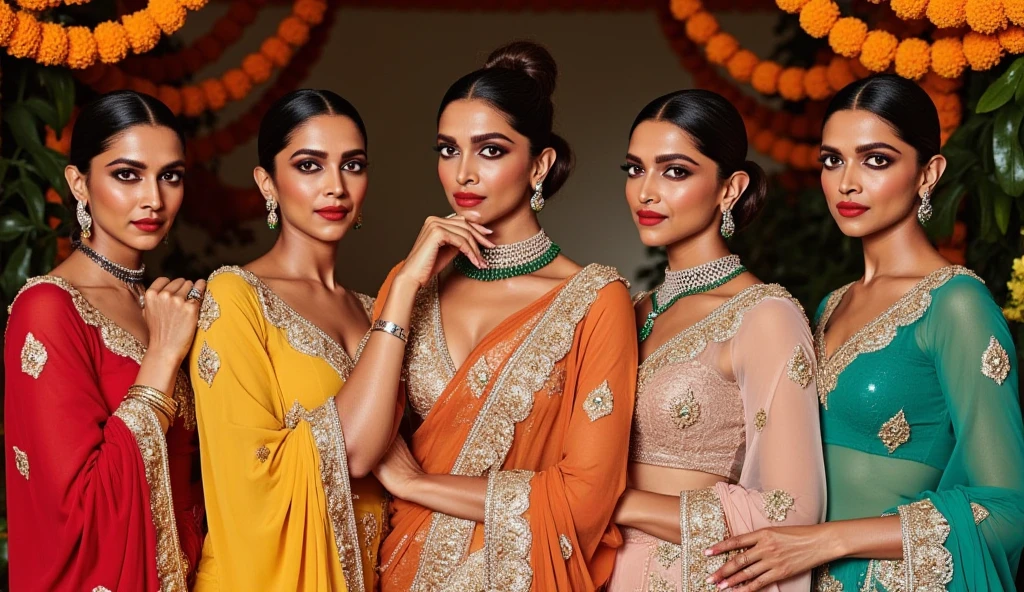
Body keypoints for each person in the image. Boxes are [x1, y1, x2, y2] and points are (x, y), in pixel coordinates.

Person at [706, 74, 1024, 592]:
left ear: (928, 173)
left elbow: (1008, 508)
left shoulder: (956, 305)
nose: (847, 182)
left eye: (876, 160)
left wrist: (830, 540)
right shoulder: (833, 304)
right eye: (833, 160)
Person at [370, 41, 638, 591]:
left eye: (490, 151)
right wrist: (402, 287)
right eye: (448, 150)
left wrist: (414, 483)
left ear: (539, 164)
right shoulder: (409, 285)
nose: (463, 174)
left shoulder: (593, 299)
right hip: (397, 569)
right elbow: (355, 444)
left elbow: (587, 499)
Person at [607, 89, 825, 592]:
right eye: (635, 169)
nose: (646, 192)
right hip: (599, 569)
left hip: (689, 575)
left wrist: (609, 500)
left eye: (675, 171)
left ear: (730, 189)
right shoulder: (629, 310)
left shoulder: (763, 316)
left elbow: (790, 510)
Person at [189, 89, 405, 592]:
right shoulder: (237, 296)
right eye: (310, 165)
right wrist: (407, 286)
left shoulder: (372, 308)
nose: (336, 187)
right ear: (268, 182)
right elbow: (248, 481)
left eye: (352, 165)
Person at [4, 90, 204, 591]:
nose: (153, 199)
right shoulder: (49, 308)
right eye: (127, 174)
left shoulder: (165, 305)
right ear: (79, 183)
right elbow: (78, 508)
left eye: (170, 176)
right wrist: (162, 355)